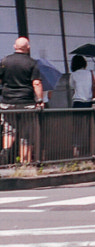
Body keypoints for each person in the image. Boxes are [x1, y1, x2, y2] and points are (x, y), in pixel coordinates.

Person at [0, 35, 46, 165]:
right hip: (26, 103)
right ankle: (25, 163)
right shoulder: (32, 63)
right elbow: (36, 83)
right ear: (28, 48)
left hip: (7, 102)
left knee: (8, 131)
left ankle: (6, 157)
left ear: (15, 47)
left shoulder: (4, 61)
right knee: (26, 134)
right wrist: (39, 100)